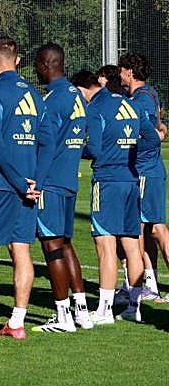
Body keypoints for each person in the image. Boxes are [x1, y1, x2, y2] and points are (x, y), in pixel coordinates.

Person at [0, 37, 42, 341]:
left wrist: (15, 181)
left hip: (1, 185)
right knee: (21, 250)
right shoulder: (35, 95)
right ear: (18, 59)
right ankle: (17, 321)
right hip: (30, 185)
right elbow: (44, 140)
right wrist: (34, 180)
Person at [77, 70, 149, 323]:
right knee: (131, 245)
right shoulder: (131, 105)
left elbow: (94, 147)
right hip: (131, 179)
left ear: (83, 89)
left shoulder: (97, 108)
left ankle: (105, 309)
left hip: (108, 181)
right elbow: (151, 136)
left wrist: (77, 148)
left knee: (105, 244)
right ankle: (134, 307)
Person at [30, 48, 93, 332]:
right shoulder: (76, 95)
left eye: (36, 65)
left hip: (53, 182)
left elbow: (47, 146)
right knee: (66, 244)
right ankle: (82, 310)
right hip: (69, 179)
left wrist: (38, 184)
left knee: (51, 246)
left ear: (46, 65)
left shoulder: (53, 100)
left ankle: (62, 315)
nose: (35, 71)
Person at [118, 52, 169, 303]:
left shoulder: (141, 99)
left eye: (121, 70)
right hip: (146, 171)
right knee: (146, 230)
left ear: (130, 72)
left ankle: (140, 283)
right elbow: (160, 127)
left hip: (146, 171)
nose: (119, 75)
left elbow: (151, 135)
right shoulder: (146, 94)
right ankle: (150, 281)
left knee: (156, 230)